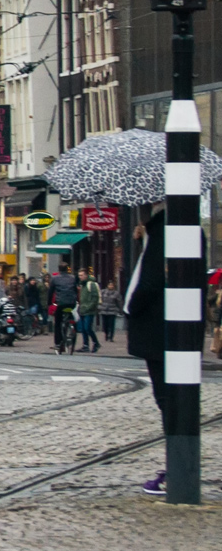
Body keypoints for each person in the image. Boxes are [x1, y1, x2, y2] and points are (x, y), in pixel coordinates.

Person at [125, 207, 168, 495]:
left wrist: (131, 308)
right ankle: (176, 467)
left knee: (170, 401)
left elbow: (151, 281)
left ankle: (177, 469)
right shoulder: (160, 232)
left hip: (160, 331)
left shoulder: (164, 232)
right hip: (165, 331)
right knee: (169, 400)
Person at [47, 261, 79, 354]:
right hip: (72, 303)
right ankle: (73, 331)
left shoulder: (55, 279)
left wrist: (49, 303)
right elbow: (76, 290)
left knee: (58, 323)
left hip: (61, 303)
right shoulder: (73, 278)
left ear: (59, 269)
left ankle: (57, 343)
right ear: (67, 269)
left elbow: (50, 292)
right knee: (72, 318)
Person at [77, 268, 101, 353]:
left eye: (82, 275)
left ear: (86, 275)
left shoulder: (91, 284)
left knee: (88, 328)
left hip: (89, 310)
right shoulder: (82, 285)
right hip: (82, 310)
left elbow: (95, 297)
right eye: (79, 275)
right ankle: (85, 345)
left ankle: (96, 343)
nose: (80, 277)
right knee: (83, 329)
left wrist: (89, 307)